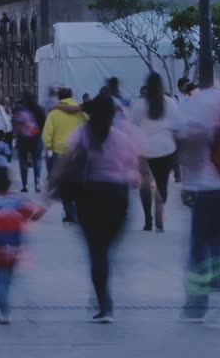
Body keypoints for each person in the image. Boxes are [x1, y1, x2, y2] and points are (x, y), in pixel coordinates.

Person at [50, 94, 148, 323]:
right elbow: (138, 169)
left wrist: (51, 187)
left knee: (97, 252)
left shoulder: (83, 133)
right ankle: (105, 293)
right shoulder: (124, 137)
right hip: (117, 197)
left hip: (89, 197)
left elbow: (64, 163)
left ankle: (105, 305)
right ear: (114, 113)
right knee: (105, 249)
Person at [173, 80, 220, 326]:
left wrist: (188, 181)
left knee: (200, 248)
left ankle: (197, 305)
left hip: (208, 189)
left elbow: (187, 144)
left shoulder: (201, 102)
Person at [0, 166, 46, 325]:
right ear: (10, 182)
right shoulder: (18, 200)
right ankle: (7, 308)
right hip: (13, 247)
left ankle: (5, 312)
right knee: (7, 280)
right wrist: (46, 204)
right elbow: (35, 216)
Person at [130, 72, 179, 232]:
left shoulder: (139, 104)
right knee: (162, 183)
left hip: (143, 149)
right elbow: (177, 126)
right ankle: (159, 203)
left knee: (145, 182)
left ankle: (147, 221)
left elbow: (132, 127)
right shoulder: (170, 103)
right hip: (165, 148)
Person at [43, 88, 88, 222]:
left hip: (60, 152)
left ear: (59, 98)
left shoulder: (54, 113)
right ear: (71, 96)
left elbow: (47, 134)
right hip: (78, 152)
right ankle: (80, 211)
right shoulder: (80, 111)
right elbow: (88, 127)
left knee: (64, 183)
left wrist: (49, 148)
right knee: (79, 181)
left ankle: (69, 213)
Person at [12, 95, 45, 193]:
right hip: (36, 137)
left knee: (23, 161)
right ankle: (37, 184)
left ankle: (24, 185)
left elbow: (14, 123)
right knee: (37, 160)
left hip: (22, 138)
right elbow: (44, 123)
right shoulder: (38, 109)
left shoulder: (19, 110)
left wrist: (15, 136)